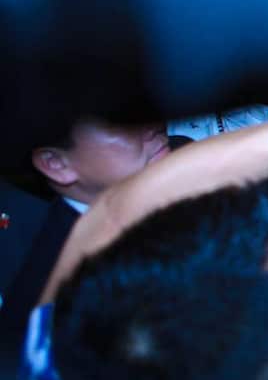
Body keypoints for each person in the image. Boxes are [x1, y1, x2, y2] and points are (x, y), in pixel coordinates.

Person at [0, 121, 168, 355]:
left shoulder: (193, 159)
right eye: (122, 121)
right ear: (55, 164)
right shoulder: (52, 310)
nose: (152, 125)